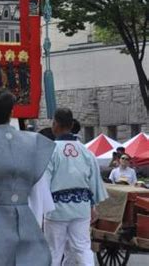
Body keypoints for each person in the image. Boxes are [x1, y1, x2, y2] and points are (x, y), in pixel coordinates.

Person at [0, 89, 56, 266]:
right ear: (12, 111)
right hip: (27, 217)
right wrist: (35, 223)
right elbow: (38, 189)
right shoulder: (33, 142)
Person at [44, 107, 107, 266]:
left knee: (54, 251)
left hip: (56, 209)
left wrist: (39, 209)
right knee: (82, 248)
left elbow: (43, 183)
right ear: (71, 125)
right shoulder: (86, 152)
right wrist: (93, 206)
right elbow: (93, 183)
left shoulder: (49, 151)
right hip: (81, 208)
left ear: (55, 124)